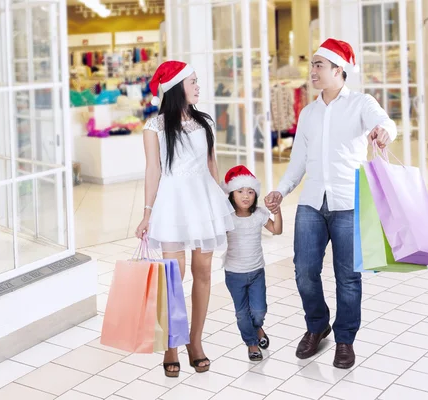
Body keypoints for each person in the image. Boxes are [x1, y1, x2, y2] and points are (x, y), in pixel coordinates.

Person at [265, 39, 397, 369]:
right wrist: (281, 189)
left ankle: (345, 339)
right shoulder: (308, 113)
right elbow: (298, 160)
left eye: (319, 65)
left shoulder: (361, 103)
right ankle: (317, 324)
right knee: (304, 271)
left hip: (348, 201)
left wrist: (383, 132)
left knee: (348, 277)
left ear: (339, 70)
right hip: (312, 202)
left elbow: (386, 122)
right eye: (312, 65)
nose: (312, 71)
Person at [135, 60, 235, 377]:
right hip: (172, 205)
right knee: (172, 280)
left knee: (203, 272)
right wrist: (147, 213)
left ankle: (195, 342)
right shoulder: (154, 128)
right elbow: (153, 171)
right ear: (177, 87)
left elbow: (211, 164)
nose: (198, 86)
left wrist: (224, 200)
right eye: (193, 81)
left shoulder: (204, 122)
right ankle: (170, 346)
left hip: (203, 202)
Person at [221, 165, 283, 361]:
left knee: (259, 310)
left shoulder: (259, 214)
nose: (245, 196)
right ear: (231, 194)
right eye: (240, 191)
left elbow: (276, 230)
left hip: (257, 271)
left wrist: (278, 212)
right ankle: (252, 344)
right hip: (234, 274)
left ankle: (258, 329)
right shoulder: (226, 218)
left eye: (250, 192)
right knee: (242, 314)